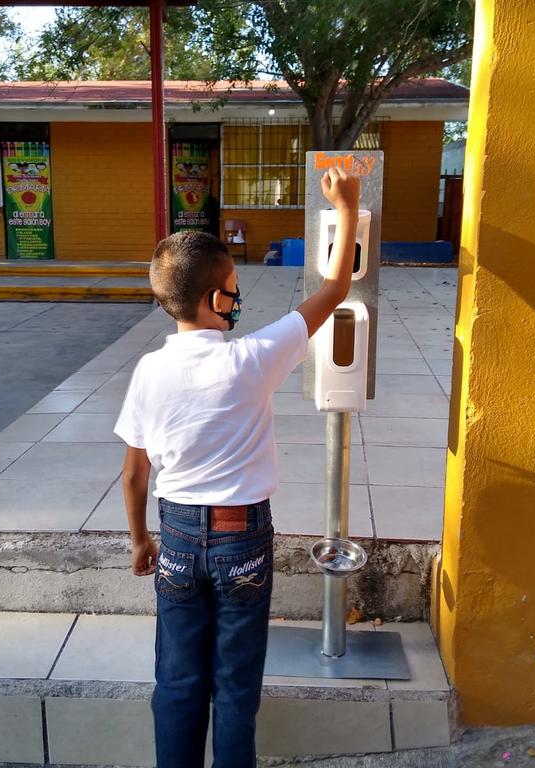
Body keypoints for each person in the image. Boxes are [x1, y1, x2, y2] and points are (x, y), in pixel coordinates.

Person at [114, 166, 361, 767]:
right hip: (241, 538)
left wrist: (140, 539)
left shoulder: (149, 370)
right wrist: (348, 208)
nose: (237, 297)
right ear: (212, 299)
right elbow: (332, 292)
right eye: (232, 287)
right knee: (235, 683)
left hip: (172, 535)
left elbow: (133, 474)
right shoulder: (253, 358)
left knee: (176, 680)